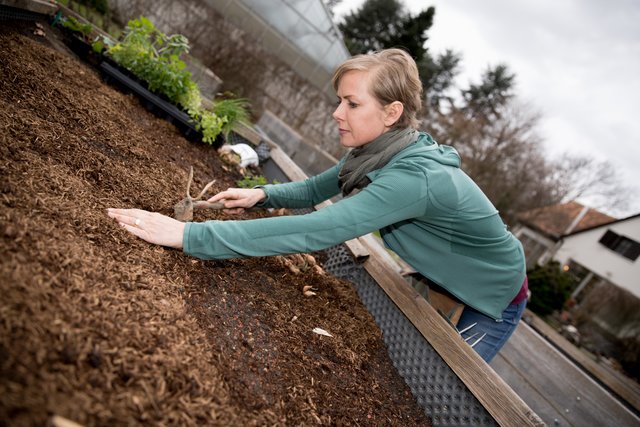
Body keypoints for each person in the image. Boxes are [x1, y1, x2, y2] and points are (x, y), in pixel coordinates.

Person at [107, 48, 528, 363]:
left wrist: (188, 235)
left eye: (352, 103)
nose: (336, 112)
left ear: (391, 112)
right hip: (445, 271)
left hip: (493, 292)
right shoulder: (376, 151)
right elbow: (313, 190)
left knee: (447, 383)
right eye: (340, 99)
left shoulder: (412, 177)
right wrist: (262, 195)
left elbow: (317, 229)